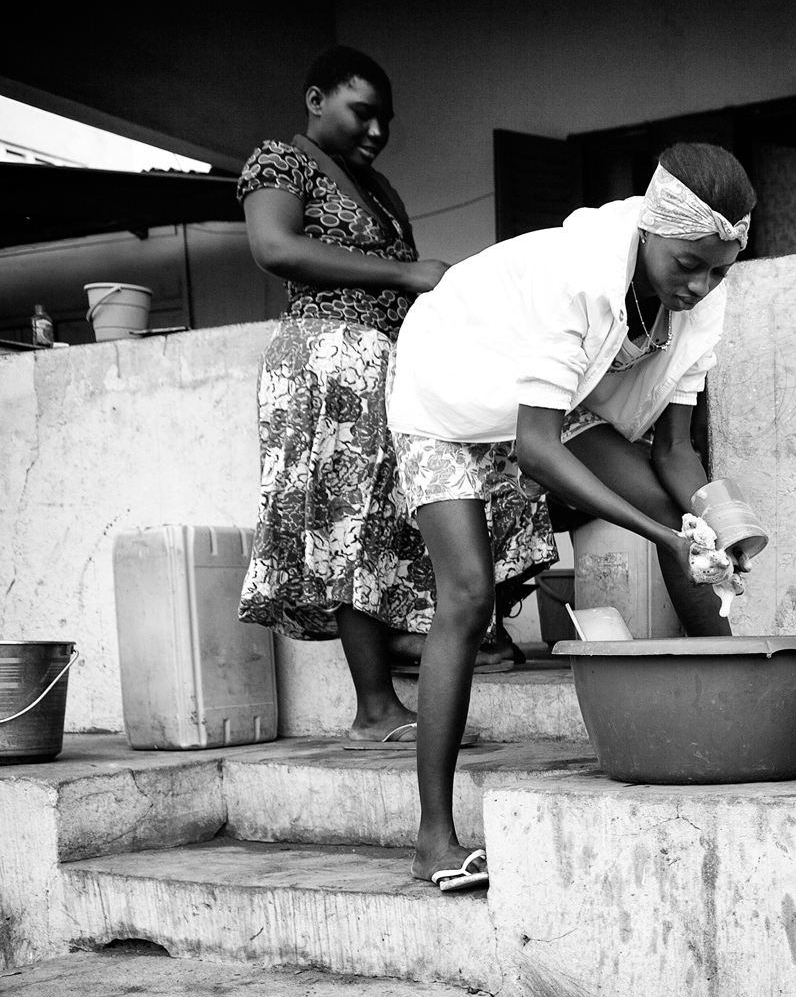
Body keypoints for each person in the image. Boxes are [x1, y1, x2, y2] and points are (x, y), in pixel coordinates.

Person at [387, 143, 756, 892]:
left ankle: (741, 730)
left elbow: (675, 452)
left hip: (547, 398)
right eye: (689, 265)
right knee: (468, 595)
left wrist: (714, 525)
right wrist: (663, 537)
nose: (700, 285)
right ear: (650, 230)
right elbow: (537, 449)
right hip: (447, 392)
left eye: (718, 271)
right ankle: (433, 838)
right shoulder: (579, 274)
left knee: (674, 516)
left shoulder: (701, 298)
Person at [237, 46, 545, 749]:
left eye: (387, 120)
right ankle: (374, 707)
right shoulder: (281, 161)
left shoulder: (376, 188)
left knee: (417, 506)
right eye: (363, 113)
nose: (377, 131)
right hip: (327, 358)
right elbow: (274, 247)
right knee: (352, 523)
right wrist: (406, 273)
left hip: (389, 362)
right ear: (316, 100)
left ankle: (436, 641)